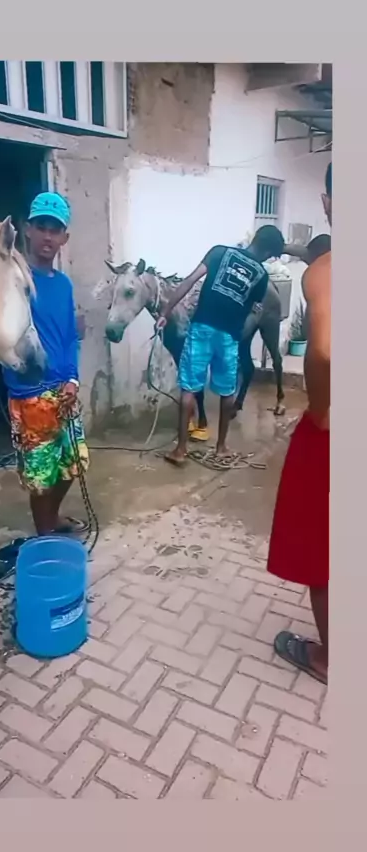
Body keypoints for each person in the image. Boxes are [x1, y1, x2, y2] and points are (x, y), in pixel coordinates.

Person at [267, 162, 331, 684]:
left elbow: (325, 349)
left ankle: (332, 658)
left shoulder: (328, 270)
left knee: (322, 542)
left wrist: (322, 409)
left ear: (329, 201)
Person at [156, 225, 285, 465]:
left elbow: (188, 281)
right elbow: (252, 307)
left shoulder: (218, 252)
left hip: (201, 329)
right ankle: (221, 448)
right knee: (227, 392)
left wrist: (165, 312)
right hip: (229, 337)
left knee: (189, 388)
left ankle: (180, 450)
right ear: (268, 251)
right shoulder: (261, 275)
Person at [2, 192, 89, 537]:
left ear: (65, 237)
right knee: (41, 478)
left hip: (63, 391)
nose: (47, 237)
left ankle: (52, 519)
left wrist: (72, 380)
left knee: (72, 463)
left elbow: (69, 337)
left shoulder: (63, 285)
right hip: (30, 394)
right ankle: (46, 538)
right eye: (41, 227)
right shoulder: (14, 278)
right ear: (27, 229)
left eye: (55, 230)